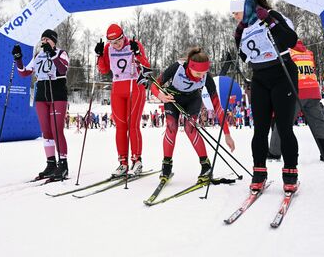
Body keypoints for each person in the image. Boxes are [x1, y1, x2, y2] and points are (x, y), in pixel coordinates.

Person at [231, 0, 299, 193]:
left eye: (237, 11)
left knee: (284, 127)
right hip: (260, 77)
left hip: (282, 74)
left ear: (248, 6)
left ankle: (290, 172)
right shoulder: (241, 30)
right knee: (259, 129)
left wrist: (269, 21)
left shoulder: (271, 16)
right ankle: (259, 173)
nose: (234, 15)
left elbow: (290, 40)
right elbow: (244, 56)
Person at [151, 47, 235, 182]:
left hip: (193, 100)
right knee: (171, 127)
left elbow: (217, 106)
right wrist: (161, 96)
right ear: (190, 66)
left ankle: (205, 165)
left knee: (190, 128)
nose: (201, 77)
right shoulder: (177, 68)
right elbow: (154, 85)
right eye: (198, 73)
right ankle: (166, 165)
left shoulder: (206, 77)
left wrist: (227, 134)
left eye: (204, 73)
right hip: (172, 98)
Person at [12, 29, 70, 181]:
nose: (44, 41)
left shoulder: (61, 53)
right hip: (41, 94)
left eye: (47, 39)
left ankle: (63, 164)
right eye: (42, 39)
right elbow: (24, 72)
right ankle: (51, 163)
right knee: (46, 131)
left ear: (53, 41)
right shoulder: (38, 56)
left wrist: (53, 53)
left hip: (57, 93)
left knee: (56, 129)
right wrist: (18, 59)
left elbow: (63, 68)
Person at [95, 23, 151, 176]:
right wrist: (100, 56)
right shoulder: (108, 48)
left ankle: (137, 161)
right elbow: (104, 70)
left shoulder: (134, 44)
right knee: (120, 127)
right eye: (113, 43)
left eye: (119, 41)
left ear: (123, 36)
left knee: (133, 125)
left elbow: (146, 66)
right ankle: (123, 163)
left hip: (135, 87)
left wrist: (138, 53)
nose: (117, 45)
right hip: (118, 89)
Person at [269, 40, 324, 163]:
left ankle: (274, 153)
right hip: (313, 91)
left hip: (296, 91)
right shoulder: (308, 52)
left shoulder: (286, 52)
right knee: (319, 124)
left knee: (283, 122)